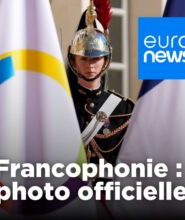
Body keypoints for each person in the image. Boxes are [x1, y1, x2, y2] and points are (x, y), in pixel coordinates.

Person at [67, 0, 134, 183]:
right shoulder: (60, 104)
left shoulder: (123, 109)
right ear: (73, 61)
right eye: (83, 59)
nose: (90, 65)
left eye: (96, 59)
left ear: (106, 61)